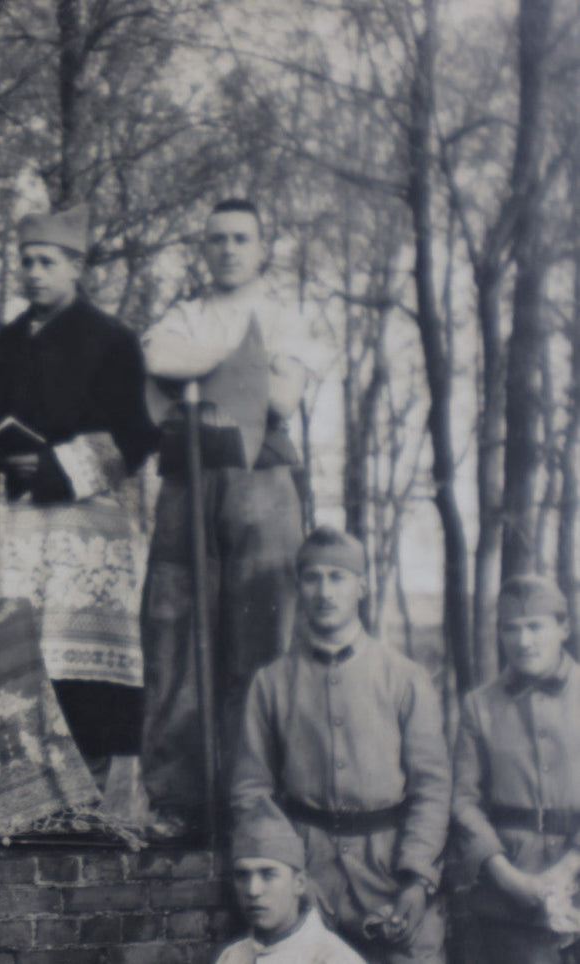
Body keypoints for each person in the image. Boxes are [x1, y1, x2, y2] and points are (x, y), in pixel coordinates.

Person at [0, 204, 158, 770]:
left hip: (80, 533)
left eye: (47, 261)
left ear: (75, 267)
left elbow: (135, 435)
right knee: (13, 668)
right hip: (9, 530)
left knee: (79, 669)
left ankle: (89, 793)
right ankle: (22, 790)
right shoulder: (3, 345)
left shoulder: (113, 341)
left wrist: (58, 468)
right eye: (26, 262)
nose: (34, 272)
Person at [139, 198, 318, 835]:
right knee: (174, 631)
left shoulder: (283, 314)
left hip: (261, 480)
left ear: (262, 247)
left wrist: (202, 368)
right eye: (216, 239)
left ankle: (258, 797)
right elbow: (157, 358)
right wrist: (239, 360)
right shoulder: (184, 311)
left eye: (241, 238)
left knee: (262, 638)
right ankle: (179, 802)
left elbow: (282, 396)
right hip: (187, 479)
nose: (229, 250)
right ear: (202, 247)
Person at [231, 526, 450, 963]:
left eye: (338, 577)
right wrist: (292, 870)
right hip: (308, 873)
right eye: (313, 577)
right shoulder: (271, 683)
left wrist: (415, 879)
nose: (325, 591)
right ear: (299, 586)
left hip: (390, 871)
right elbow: (250, 790)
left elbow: (432, 788)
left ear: (362, 586)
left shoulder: (404, 677)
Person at [452, 574, 580, 962]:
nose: (523, 642)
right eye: (511, 629)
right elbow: (463, 801)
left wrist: (569, 867)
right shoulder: (480, 706)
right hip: (509, 895)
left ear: (563, 628)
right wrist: (507, 877)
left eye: (534, 627)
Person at [216, 817, 365, 964]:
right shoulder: (232, 957)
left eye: (268, 874)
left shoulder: (334, 958)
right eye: (242, 875)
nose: (253, 890)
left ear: (299, 883)